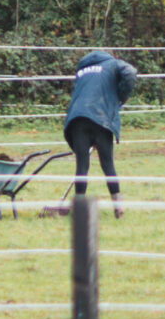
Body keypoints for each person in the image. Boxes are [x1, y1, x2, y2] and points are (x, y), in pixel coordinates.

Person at [48, 47, 139, 219]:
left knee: (82, 166)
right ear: (111, 55)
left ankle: (80, 209)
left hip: (77, 119)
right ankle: (118, 208)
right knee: (107, 165)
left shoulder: (82, 69)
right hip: (100, 117)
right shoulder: (112, 64)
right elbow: (130, 72)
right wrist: (122, 96)